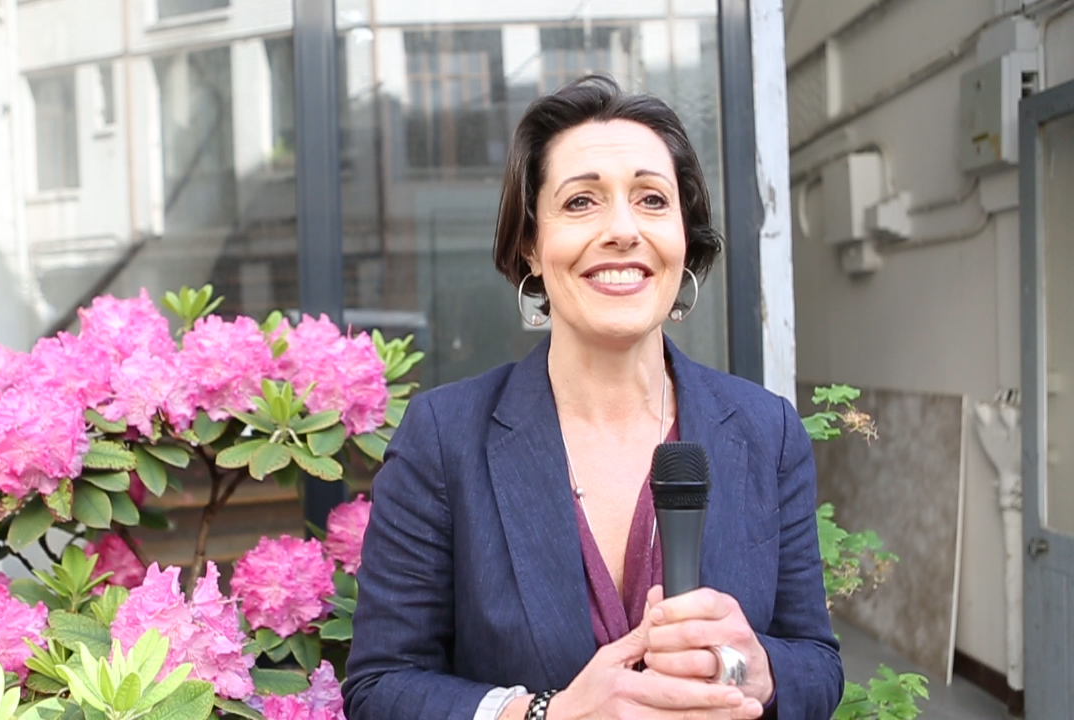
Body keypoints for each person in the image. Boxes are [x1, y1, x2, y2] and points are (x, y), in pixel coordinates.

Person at [342, 75, 842, 720]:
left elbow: (818, 664)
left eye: (652, 200)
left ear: (683, 238)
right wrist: (544, 714)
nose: (623, 230)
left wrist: (749, 667)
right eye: (581, 202)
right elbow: (382, 686)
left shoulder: (764, 429)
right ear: (530, 245)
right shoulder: (444, 436)